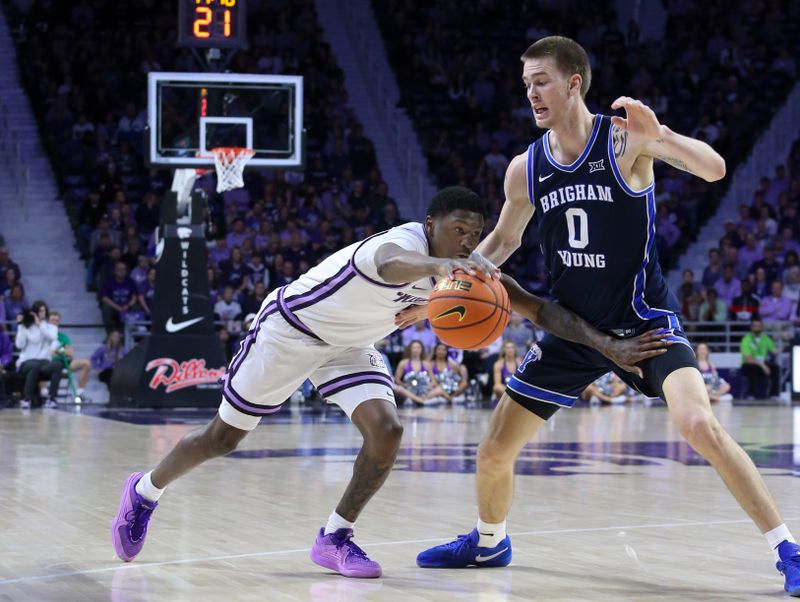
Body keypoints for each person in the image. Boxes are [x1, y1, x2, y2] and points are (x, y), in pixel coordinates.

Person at [111, 186, 663, 579]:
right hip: (290, 331)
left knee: (387, 430)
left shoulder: (468, 270)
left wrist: (608, 347)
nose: (467, 242)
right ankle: (144, 491)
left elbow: (543, 311)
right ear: (432, 225)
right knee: (222, 440)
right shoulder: (396, 247)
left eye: (475, 234)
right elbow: (397, 265)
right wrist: (436, 271)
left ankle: (335, 536)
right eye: (458, 231)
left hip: (348, 347)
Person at [416, 36, 800, 595]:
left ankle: (787, 548)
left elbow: (714, 170)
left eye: (541, 80)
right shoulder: (526, 169)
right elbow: (501, 241)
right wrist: (447, 286)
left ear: (574, 83)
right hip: (575, 329)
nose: (531, 92)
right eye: (526, 84)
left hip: (643, 320)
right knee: (495, 448)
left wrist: (661, 138)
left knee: (699, 425)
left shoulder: (624, 144)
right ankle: (489, 540)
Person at [15, 300, 62, 409]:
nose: (43, 313)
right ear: (35, 312)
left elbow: (53, 337)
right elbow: (19, 345)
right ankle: (26, 399)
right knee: (34, 366)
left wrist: (40, 325)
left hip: (44, 362)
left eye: (44, 311)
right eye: (40, 311)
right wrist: (20, 327)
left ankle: (51, 399)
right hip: (27, 361)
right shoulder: (26, 327)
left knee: (57, 365)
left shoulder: (51, 327)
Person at [49, 310, 92, 400]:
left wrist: (56, 351)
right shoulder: (43, 335)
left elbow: (70, 352)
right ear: (48, 321)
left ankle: (79, 393)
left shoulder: (63, 337)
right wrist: (60, 350)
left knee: (86, 363)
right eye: (52, 320)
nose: (54, 323)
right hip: (48, 362)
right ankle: (44, 393)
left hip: (64, 362)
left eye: (56, 321)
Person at [393, 340, 445, 407]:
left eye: (418, 348)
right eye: (414, 348)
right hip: (409, 389)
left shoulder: (426, 364)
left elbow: (433, 381)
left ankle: (417, 399)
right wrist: (405, 385)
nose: (416, 350)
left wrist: (427, 386)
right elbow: (397, 380)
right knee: (398, 389)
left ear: (421, 350)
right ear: (410, 349)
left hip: (424, 390)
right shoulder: (403, 363)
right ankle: (420, 400)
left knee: (439, 390)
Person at [739, 319, 780, 399]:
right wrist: (763, 366)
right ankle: (751, 394)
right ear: (751, 327)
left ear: (762, 327)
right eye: (755, 326)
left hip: (763, 364)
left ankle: (773, 395)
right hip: (749, 364)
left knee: (775, 368)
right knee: (752, 368)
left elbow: (775, 351)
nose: (757, 328)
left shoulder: (765, 338)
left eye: (759, 326)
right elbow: (748, 359)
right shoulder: (746, 339)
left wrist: (780, 338)